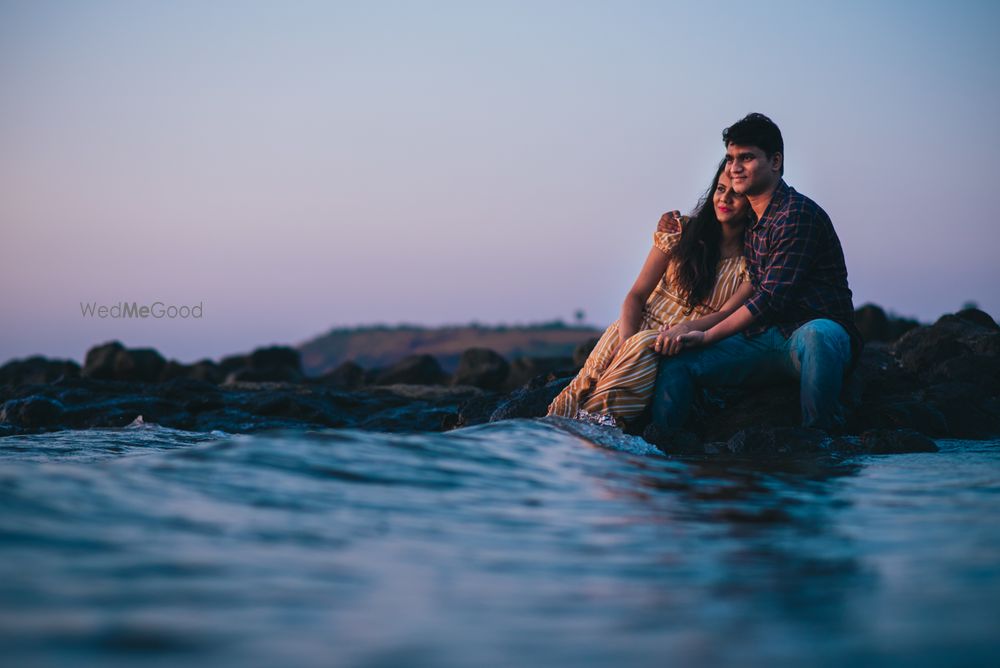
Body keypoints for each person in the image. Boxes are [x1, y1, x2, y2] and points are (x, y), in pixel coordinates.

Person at [649, 113, 862, 436]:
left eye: (746, 158)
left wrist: (707, 335)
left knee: (820, 335)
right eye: (731, 158)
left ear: (775, 161)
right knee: (680, 363)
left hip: (810, 336)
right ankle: (666, 453)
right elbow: (713, 226)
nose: (735, 167)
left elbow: (769, 300)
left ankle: (818, 441)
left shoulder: (796, 214)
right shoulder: (750, 223)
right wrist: (677, 224)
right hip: (766, 340)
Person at [547, 161, 754, 427]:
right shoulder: (682, 232)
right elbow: (636, 295)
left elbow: (727, 315)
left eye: (735, 193)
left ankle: (591, 440)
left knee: (605, 407)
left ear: (751, 200)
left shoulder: (751, 261)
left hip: (678, 340)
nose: (724, 198)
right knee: (574, 397)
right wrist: (625, 343)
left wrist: (682, 331)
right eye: (720, 189)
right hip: (632, 329)